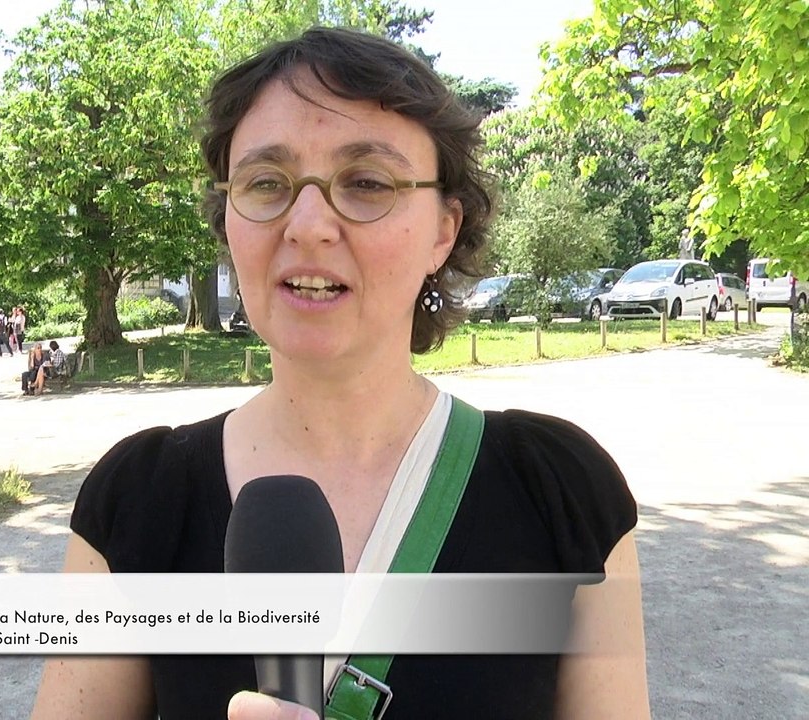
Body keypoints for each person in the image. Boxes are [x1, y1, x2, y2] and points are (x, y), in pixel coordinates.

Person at [31, 27, 648, 720]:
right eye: (267, 183)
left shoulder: (562, 491)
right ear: (228, 218)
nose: (309, 224)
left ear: (444, 230)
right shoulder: (138, 501)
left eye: (365, 183)